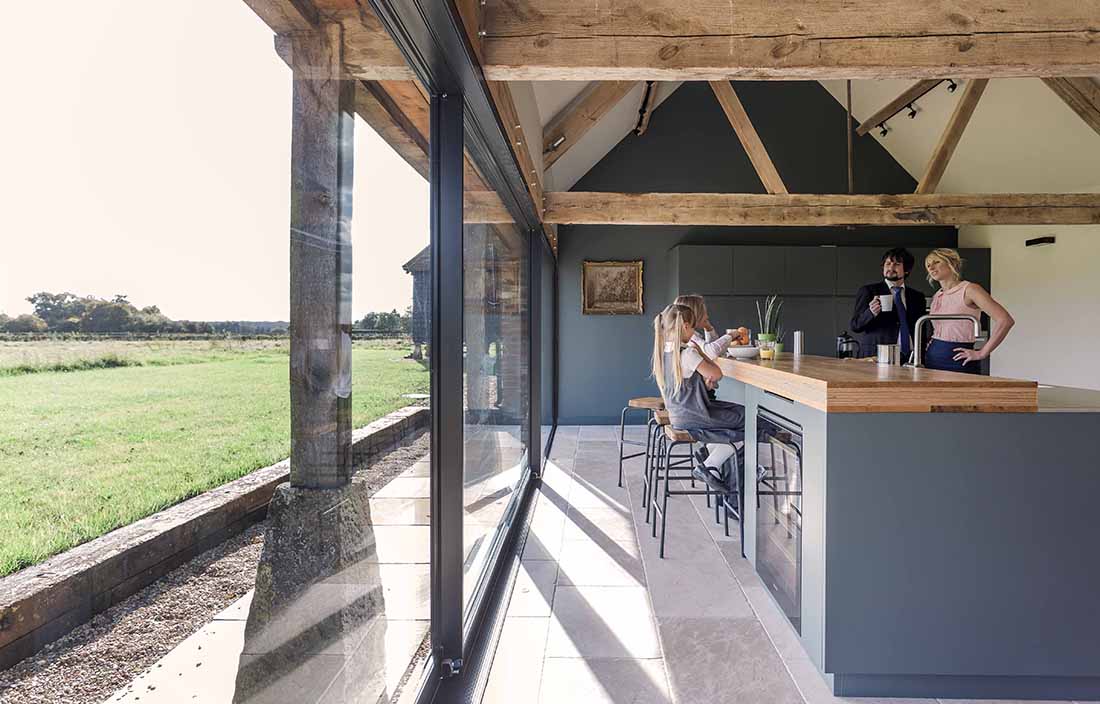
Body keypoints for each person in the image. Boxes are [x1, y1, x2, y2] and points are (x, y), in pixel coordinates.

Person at [652, 303, 745, 487]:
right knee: (749, 420)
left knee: (740, 417)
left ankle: (712, 452)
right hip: (696, 416)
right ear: (685, 326)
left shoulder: (665, 352)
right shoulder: (687, 354)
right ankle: (710, 464)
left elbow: (684, 385)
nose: (694, 332)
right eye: (693, 327)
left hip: (680, 416)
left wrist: (702, 384)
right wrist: (702, 353)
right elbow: (716, 374)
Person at [923, 248, 1014, 374]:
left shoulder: (970, 290)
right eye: (928, 265)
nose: (931, 267)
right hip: (932, 358)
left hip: (959, 359)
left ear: (952, 263)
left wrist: (982, 352)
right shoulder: (937, 295)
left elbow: (1005, 320)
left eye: (936, 262)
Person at [850, 248, 928, 360]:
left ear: (906, 270)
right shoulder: (868, 291)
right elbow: (855, 325)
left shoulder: (917, 296)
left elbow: (922, 330)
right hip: (876, 356)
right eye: (887, 264)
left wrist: (922, 353)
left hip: (910, 357)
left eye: (896, 264)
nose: (891, 268)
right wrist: (871, 312)